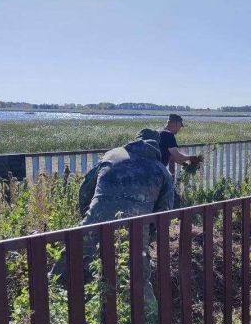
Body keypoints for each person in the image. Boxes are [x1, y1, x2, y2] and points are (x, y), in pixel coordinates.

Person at [51, 128, 175, 304]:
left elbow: (85, 189)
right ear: (158, 148)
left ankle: (45, 311)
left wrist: (90, 216)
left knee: (65, 269)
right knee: (138, 283)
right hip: (135, 233)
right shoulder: (162, 170)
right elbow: (164, 214)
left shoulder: (111, 156)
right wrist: (147, 237)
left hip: (93, 225)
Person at [158, 114, 203, 208]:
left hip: (153, 169)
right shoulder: (168, 135)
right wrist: (192, 157)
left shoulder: (159, 132)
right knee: (172, 199)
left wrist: (184, 164)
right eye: (179, 126)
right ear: (176, 123)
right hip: (157, 172)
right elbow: (177, 155)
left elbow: (171, 157)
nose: (179, 129)